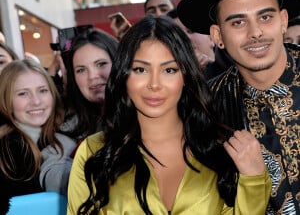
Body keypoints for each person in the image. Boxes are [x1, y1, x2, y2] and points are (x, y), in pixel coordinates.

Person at [67, 15, 271, 215]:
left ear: (186, 76)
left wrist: (253, 181)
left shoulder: (222, 148)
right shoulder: (94, 153)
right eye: (140, 69)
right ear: (123, 75)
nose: (154, 84)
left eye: (169, 70)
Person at [177, 0, 300, 214]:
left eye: (265, 17)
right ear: (217, 35)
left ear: (283, 21)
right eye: (238, 22)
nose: (255, 32)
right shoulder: (206, 108)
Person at [0, 59, 76, 214]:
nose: (36, 101)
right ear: (6, 100)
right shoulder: (8, 149)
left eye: (42, 90)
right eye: (23, 94)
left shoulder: (66, 132)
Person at [61, 28, 118, 142]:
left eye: (101, 64)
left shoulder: (150, 116)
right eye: (81, 70)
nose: (92, 76)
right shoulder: (69, 131)